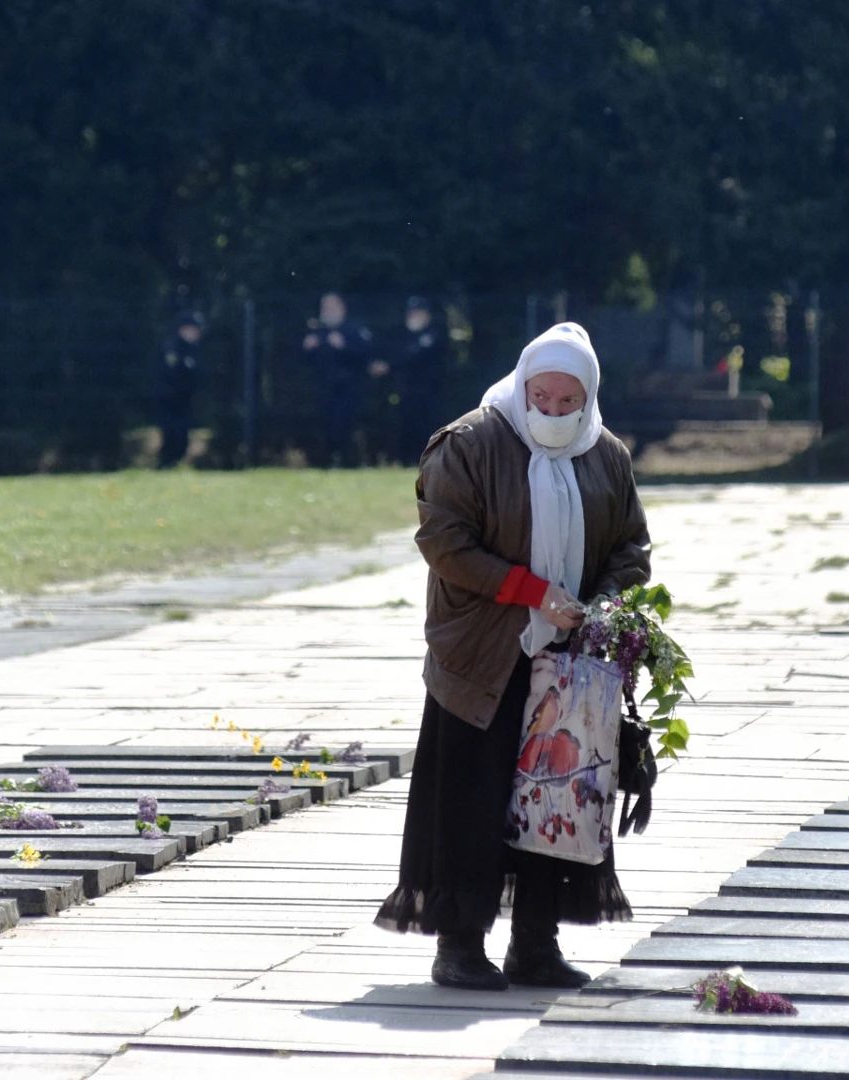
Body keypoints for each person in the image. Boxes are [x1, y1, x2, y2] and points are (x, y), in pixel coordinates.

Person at [375, 322, 652, 991]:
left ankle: (536, 943)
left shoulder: (607, 456)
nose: (554, 414)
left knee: (554, 802)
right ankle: (461, 944)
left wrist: (604, 607)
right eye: (543, 398)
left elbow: (631, 550)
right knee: (473, 800)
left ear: (587, 401)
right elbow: (444, 542)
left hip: (568, 664)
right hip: (484, 657)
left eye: (568, 403)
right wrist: (532, 593)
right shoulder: (469, 443)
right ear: (522, 385)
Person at [301, 292, 379, 466]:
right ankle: (324, 462)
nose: (327, 311)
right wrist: (307, 349)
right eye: (324, 307)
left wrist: (344, 347)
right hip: (324, 388)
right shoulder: (317, 332)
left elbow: (366, 356)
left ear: (342, 308)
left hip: (349, 389)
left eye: (331, 307)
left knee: (344, 426)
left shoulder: (354, 330)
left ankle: (348, 462)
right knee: (324, 426)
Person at [394, 296, 450, 465]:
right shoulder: (403, 336)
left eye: (418, 313)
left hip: (430, 391)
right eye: (412, 313)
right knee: (408, 426)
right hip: (408, 390)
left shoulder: (435, 335)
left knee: (428, 426)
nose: (414, 317)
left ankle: (429, 460)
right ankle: (406, 460)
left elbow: (413, 356)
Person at [155, 312, 202, 468]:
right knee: (171, 434)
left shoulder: (194, 350)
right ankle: (165, 464)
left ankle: (172, 464)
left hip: (185, 401)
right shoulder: (173, 348)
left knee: (182, 437)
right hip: (169, 400)